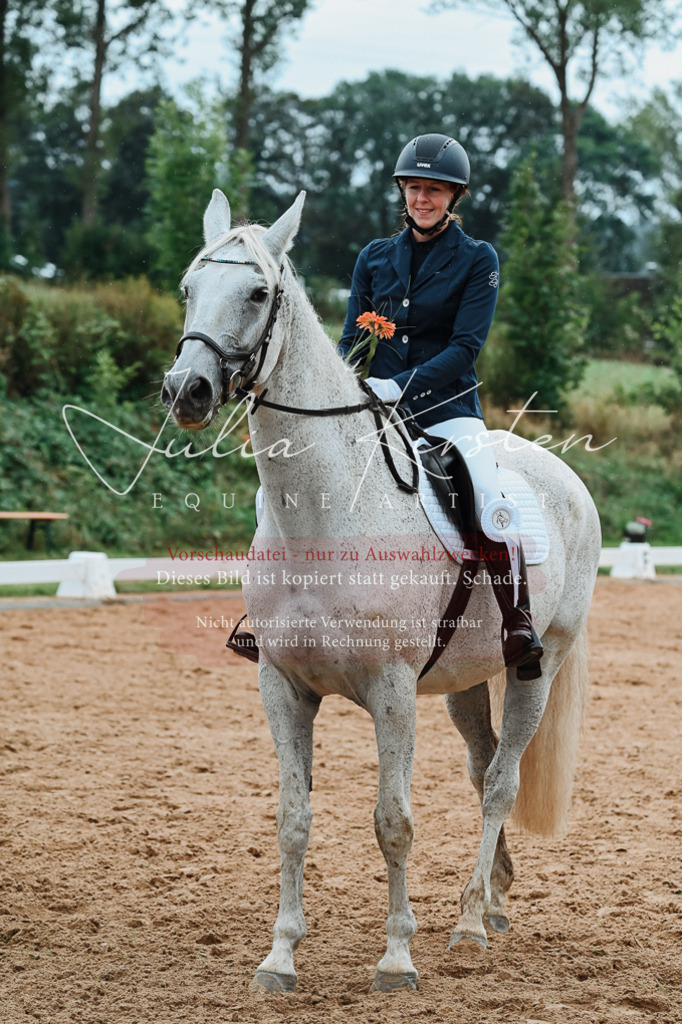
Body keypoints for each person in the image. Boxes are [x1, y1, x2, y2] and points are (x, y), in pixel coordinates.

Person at [338, 132, 543, 679]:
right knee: (297, 478)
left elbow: (465, 348)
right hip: (372, 410)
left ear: (455, 196)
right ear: (402, 191)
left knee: (488, 494)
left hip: (448, 408)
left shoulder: (478, 259)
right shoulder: (374, 258)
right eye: (413, 188)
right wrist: (344, 385)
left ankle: (516, 619)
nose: (422, 199)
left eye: (434, 190)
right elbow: (348, 341)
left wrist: (397, 386)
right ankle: (274, 613)